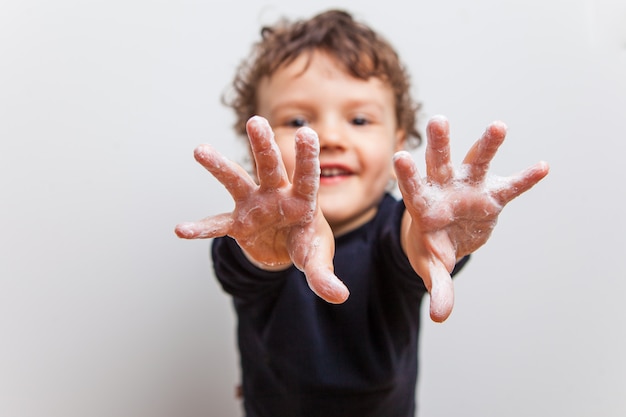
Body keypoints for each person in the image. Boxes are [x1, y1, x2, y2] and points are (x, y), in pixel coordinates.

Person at [175, 9, 549, 417]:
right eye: (298, 120)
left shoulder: (396, 231)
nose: (330, 137)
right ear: (256, 149)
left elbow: (408, 240)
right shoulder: (258, 235)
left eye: (359, 119)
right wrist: (267, 246)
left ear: (397, 144)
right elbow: (243, 265)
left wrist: (430, 235)